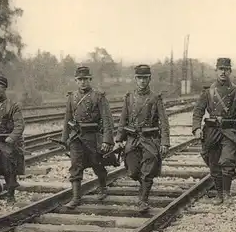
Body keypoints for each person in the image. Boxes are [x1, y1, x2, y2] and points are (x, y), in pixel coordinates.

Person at [192, 58, 236, 205]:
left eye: (226, 69)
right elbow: (198, 111)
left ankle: (227, 194)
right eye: (220, 69)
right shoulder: (208, 92)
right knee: (214, 164)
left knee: (227, 162)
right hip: (211, 132)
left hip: (230, 131)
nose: (223, 72)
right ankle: (219, 195)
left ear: (230, 71)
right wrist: (196, 128)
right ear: (216, 71)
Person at [114, 64, 170, 212]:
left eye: (145, 78)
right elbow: (123, 120)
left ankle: (143, 200)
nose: (142, 81)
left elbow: (164, 122)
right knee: (132, 171)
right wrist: (119, 139)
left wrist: (165, 142)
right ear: (135, 79)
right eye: (139, 78)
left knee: (148, 170)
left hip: (150, 139)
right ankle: (144, 185)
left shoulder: (155, 98)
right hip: (132, 139)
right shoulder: (129, 98)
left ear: (149, 79)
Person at [61, 66, 115, 209]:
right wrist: (64, 139)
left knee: (97, 164)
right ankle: (76, 197)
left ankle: (103, 187)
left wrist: (107, 140)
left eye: (85, 79)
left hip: (93, 137)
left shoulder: (98, 96)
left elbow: (107, 119)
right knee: (75, 166)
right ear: (76, 81)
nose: (83, 82)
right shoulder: (72, 97)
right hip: (76, 138)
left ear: (90, 80)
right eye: (80, 80)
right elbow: (67, 119)